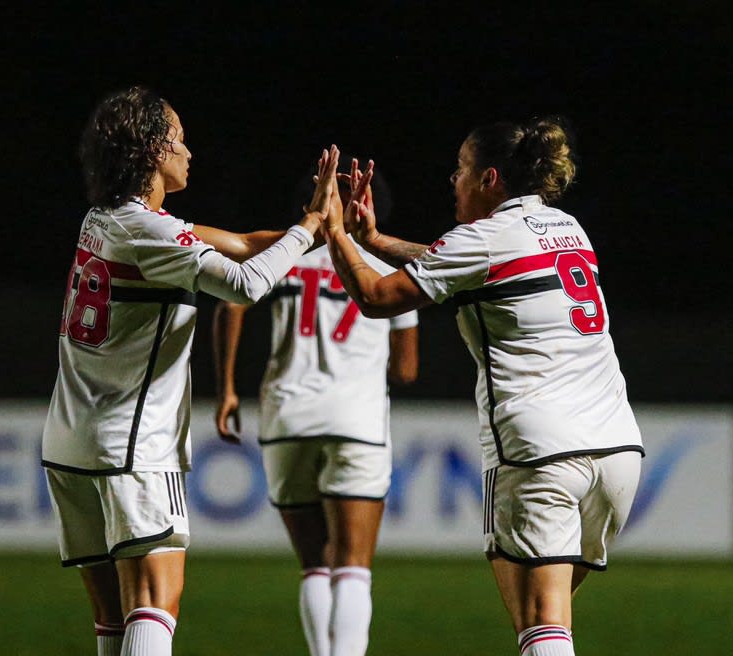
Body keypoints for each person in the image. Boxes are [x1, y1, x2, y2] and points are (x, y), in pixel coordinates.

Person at [321, 120, 644, 656]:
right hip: (617, 452)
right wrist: (374, 240)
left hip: (542, 452)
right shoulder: (567, 227)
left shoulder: (483, 239)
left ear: (490, 178)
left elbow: (377, 297)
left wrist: (334, 234)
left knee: (542, 622)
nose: (454, 179)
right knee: (541, 620)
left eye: (462, 169)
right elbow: (465, 264)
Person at [41, 85, 339, 656]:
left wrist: (325, 230)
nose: (189, 151)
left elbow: (245, 245)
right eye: (178, 138)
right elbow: (247, 285)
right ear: (152, 148)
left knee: (113, 617)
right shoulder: (151, 233)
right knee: (156, 600)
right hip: (131, 443)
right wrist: (307, 227)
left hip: (71, 440)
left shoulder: (107, 220)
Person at [211, 167, 418, 656]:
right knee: (351, 565)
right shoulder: (389, 268)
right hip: (357, 420)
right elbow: (406, 371)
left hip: (287, 413)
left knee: (313, 565)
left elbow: (231, 305)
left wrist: (227, 390)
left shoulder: (289, 253)